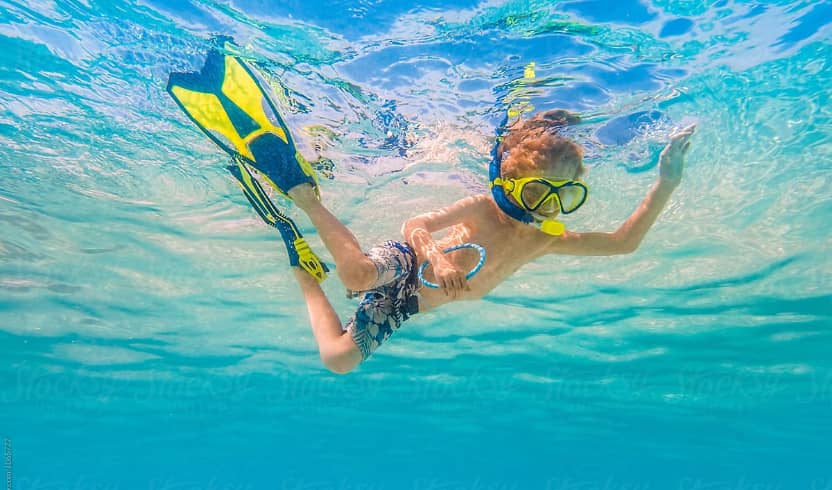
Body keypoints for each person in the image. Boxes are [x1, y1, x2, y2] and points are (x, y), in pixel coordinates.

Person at [167, 50, 695, 374]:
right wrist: (436, 258)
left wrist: (666, 182)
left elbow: (624, 243)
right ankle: (303, 195)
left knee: (339, 361)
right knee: (355, 274)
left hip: (413, 305)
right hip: (409, 263)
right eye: (538, 193)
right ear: (510, 182)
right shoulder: (484, 208)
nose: (548, 208)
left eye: (562, 198)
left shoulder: (545, 239)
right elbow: (414, 225)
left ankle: (302, 268)